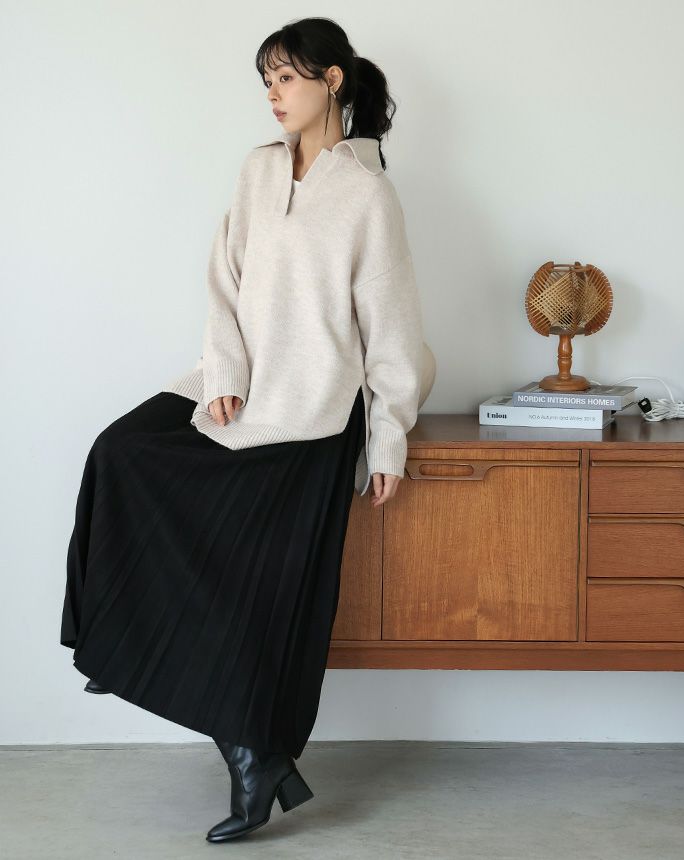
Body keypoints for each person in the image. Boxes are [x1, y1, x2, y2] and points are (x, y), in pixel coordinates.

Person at [60, 16, 424, 843]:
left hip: (312, 411)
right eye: (266, 80)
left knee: (256, 584)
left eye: (286, 77)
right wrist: (223, 374)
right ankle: (209, 712)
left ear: (333, 80)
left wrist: (388, 438)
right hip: (238, 389)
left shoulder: (367, 194)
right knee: (121, 453)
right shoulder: (258, 170)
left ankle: (254, 752)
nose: (273, 94)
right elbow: (223, 281)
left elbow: (393, 329)